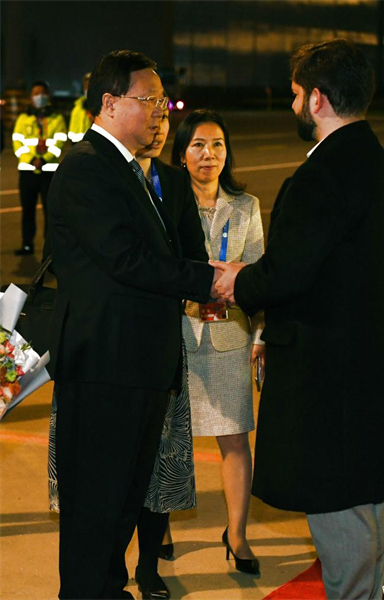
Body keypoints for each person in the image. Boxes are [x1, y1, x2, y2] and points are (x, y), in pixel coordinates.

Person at [213, 39, 384, 599]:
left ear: (318, 99)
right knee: (365, 515)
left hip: (327, 381)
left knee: (339, 520)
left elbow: (289, 272)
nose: (292, 105)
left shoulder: (325, 173)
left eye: (296, 94)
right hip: (363, 373)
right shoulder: (374, 161)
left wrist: (235, 281)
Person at [47, 50, 216, 600]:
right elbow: (127, 260)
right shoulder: (86, 166)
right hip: (105, 368)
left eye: (162, 101)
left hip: (137, 366)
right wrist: (209, 280)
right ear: (110, 102)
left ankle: (107, 587)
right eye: (149, 100)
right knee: (95, 505)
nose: (158, 112)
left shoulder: (128, 168)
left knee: (122, 500)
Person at [167, 109, 265, 575]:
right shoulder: (163, 202)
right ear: (181, 155)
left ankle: (238, 534)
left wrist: (261, 336)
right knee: (168, 437)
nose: (209, 155)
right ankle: (158, 524)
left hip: (229, 335)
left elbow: (260, 274)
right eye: (198, 146)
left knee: (235, 440)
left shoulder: (246, 206)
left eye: (218, 145)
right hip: (178, 335)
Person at [133, 105, 209, 599]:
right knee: (116, 468)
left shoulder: (172, 183)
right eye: (151, 114)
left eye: (165, 119)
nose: (158, 127)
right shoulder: (104, 176)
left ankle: (147, 567)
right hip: (115, 345)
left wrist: (197, 277)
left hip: (163, 342)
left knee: (160, 463)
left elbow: (195, 256)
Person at [12, 80, 67, 255]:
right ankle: (27, 244)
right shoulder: (23, 118)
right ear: (30, 97)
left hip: (48, 172)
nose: (39, 97)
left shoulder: (56, 118)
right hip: (27, 172)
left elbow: (59, 142)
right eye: (36, 93)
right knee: (27, 211)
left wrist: (44, 159)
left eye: (42, 93)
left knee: (50, 212)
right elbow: (17, 142)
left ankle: (49, 249)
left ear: (48, 96)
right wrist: (31, 159)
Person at [68, 72, 93, 143]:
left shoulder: (104, 108)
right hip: (79, 148)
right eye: (86, 85)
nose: (88, 88)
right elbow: (72, 134)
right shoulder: (77, 109)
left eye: (91, 85)